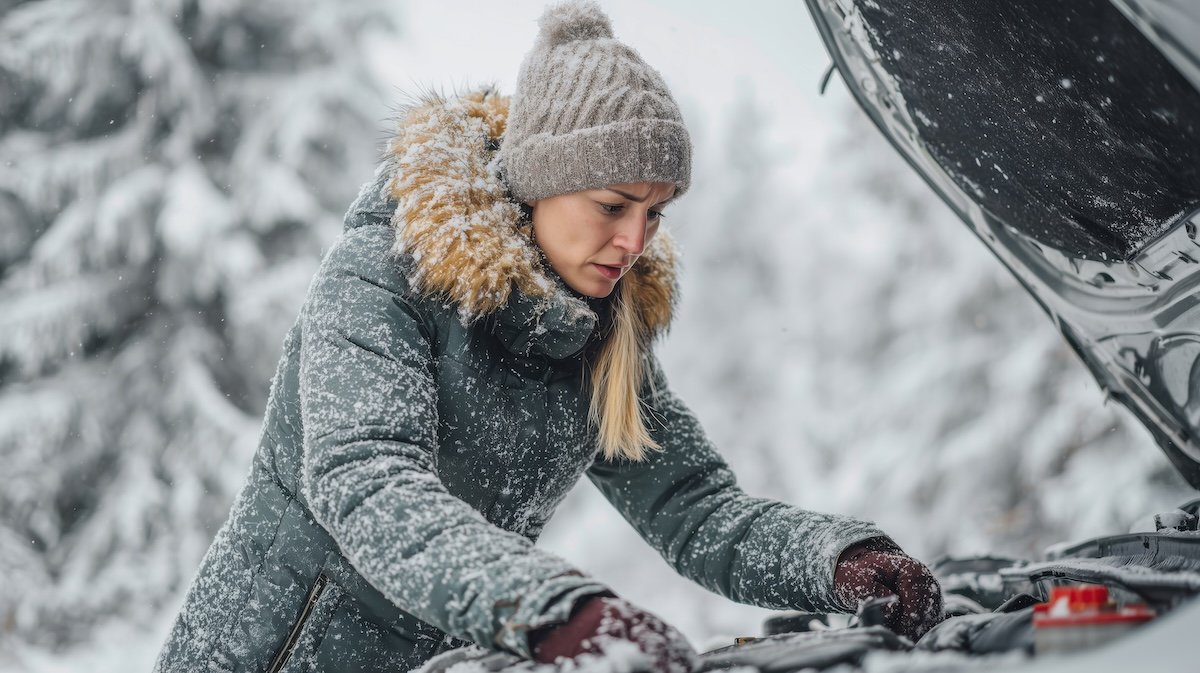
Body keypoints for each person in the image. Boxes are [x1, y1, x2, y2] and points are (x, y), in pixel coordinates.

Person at [153, 2, 943, 672]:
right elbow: (368, 482)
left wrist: (836, 562)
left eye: (655, 213)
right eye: (613, 204)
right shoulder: (385, 274)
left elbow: (694, 508)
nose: (636, 241)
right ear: (541, 179)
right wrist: (557, 611)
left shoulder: (594, 332)